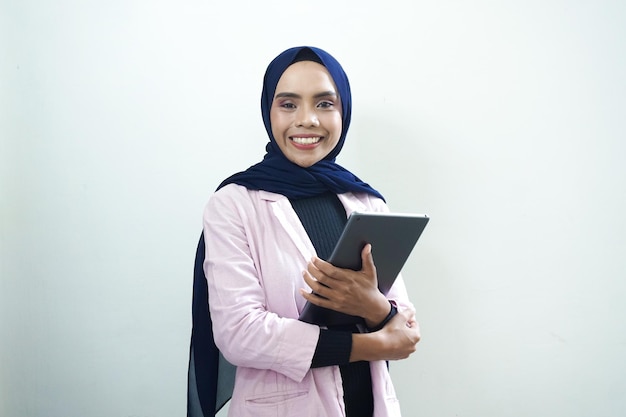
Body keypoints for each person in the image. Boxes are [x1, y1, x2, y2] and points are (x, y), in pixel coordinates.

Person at [202, 46, 421, 417]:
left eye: (324, 104)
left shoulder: (368, 203)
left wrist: (372, 306)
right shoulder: (234, 204)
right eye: (288, 104)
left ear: (344, 111)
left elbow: (405, 326)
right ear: (268, 110)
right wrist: (372, 345)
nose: (307, 120)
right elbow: (239, 334)